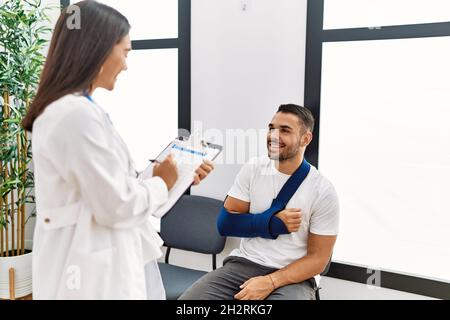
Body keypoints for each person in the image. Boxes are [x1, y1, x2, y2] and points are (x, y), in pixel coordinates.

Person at [22, 0, 213, 299]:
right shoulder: (74, 115)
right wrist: (163, 181)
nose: (125, 64)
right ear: (96, 48)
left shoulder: (76, 111)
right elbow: (117, 205)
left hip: (98, 264)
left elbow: (109, 191)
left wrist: (177, 178)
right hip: (89, 275)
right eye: (124, 52)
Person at [179, 104, 339, 300]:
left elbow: (318, 260)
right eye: (271, 128)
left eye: (285, 130)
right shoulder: (253, 169)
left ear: (306, 138)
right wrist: (271, 223)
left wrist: (271, 281)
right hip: (244, 264)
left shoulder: (323, 191)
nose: (273, 135)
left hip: (294, 278)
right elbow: (226, 223)